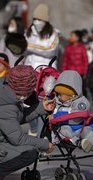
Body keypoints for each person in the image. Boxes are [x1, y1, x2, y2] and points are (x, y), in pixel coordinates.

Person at [51, 70, 93, 168]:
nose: (58, 96)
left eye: (61, 95)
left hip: (81, 127)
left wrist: (56, 116)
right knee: (65, 129)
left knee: (90, 133)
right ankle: (79, 143)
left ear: (72, 95)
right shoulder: (56, 103)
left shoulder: (82, 102)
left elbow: (77, 116)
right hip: (66, 131)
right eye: (57, 94)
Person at [25, 3, 60, 136]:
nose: (36, 22)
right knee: (27, 103)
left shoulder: (53, 33)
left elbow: (50, 50)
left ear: (45, 20)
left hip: (47, 75)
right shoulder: (28, 32)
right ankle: (33, 128)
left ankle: (42, 135)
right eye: (35, 19)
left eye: (39, 19)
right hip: (30, 73)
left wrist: (30, 47)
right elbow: (22, 49)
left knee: (44, 104)